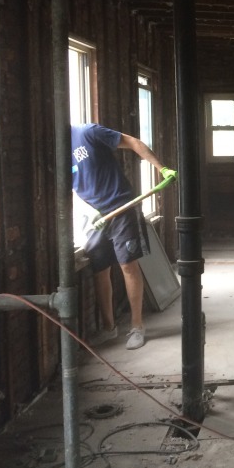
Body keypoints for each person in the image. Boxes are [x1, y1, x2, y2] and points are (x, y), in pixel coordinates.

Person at [71, 123, 177, 350]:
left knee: (128, 265)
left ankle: (137, 327)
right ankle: (109, 328)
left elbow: (133, 142)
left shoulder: (88, 133)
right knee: (100, 270)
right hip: (93, 218)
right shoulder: (55, 152)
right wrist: (88, 213)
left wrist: (162, 169)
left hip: (121, 207)